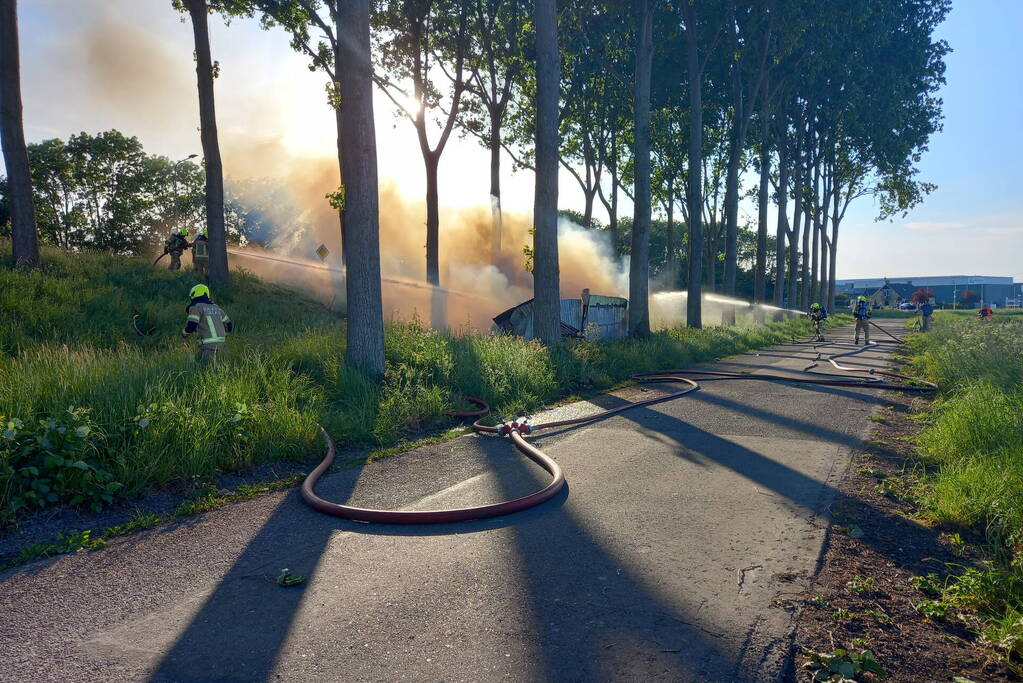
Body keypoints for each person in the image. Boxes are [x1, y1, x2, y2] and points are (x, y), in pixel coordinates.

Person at [182, 284, 233, 363]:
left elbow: (191, 325)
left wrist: (184, 333)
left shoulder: (196, 307)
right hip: (221, 345)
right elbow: (229, 325)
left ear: (194, 295)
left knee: (205, 368)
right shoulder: (217, 308)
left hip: (208, 346)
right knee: (198, 363)